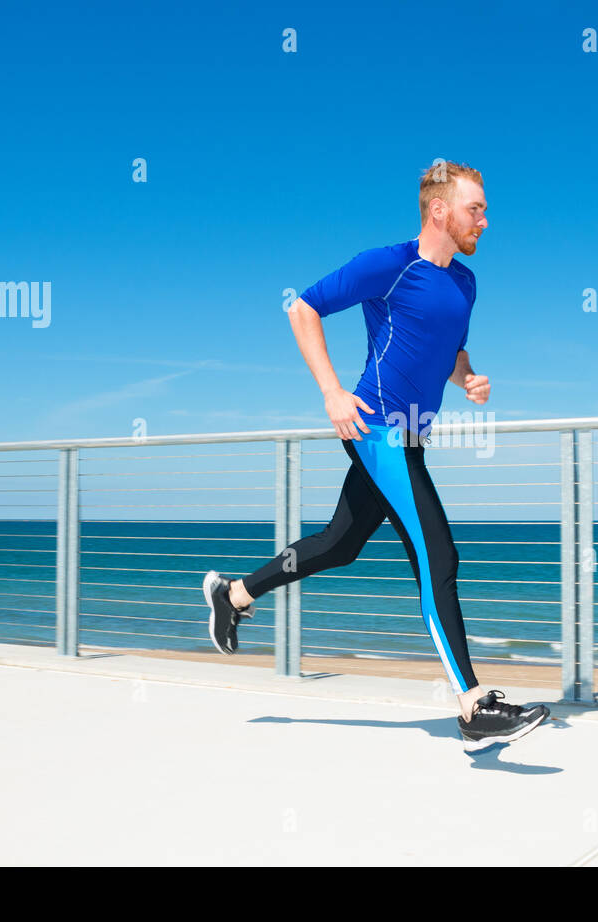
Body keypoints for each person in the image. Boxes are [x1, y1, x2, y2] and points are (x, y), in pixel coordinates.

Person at [203, 160, 549, 752]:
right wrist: (333, 393)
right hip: (376, 427)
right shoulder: (389, 265)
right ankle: (471, 705)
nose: (485, 222)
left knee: (341, 543)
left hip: (412, 434)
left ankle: (232, 595)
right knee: (437, 551)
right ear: (440, 211)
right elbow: (302, 308)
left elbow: (448, 349)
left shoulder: (464, 283)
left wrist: (465, 380)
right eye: (476, 210)